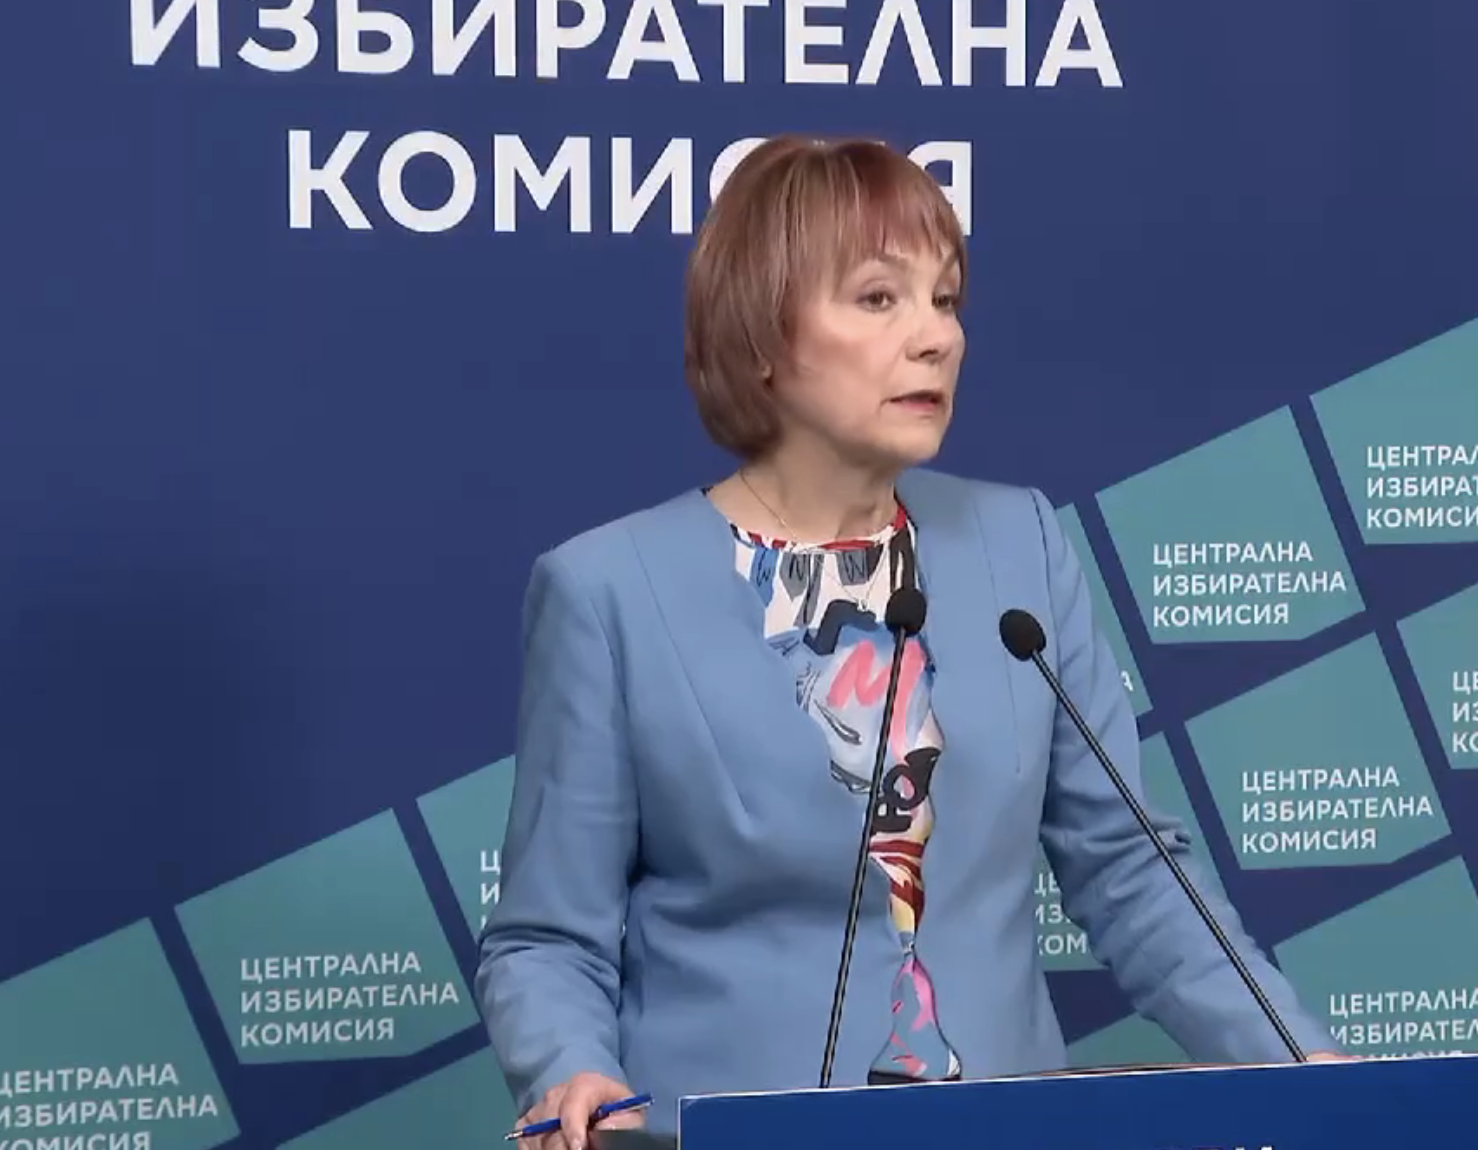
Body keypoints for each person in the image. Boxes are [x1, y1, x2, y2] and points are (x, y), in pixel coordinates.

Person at [473, 134, 1341, 1150]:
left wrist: (1302, 1067)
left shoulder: (1020, 543)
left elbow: (1130, 868)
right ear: (760, 336)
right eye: (880, 298)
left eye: (946, 299)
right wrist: (570, 1070)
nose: (935, 338)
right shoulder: (608, 591)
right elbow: (546, 938)